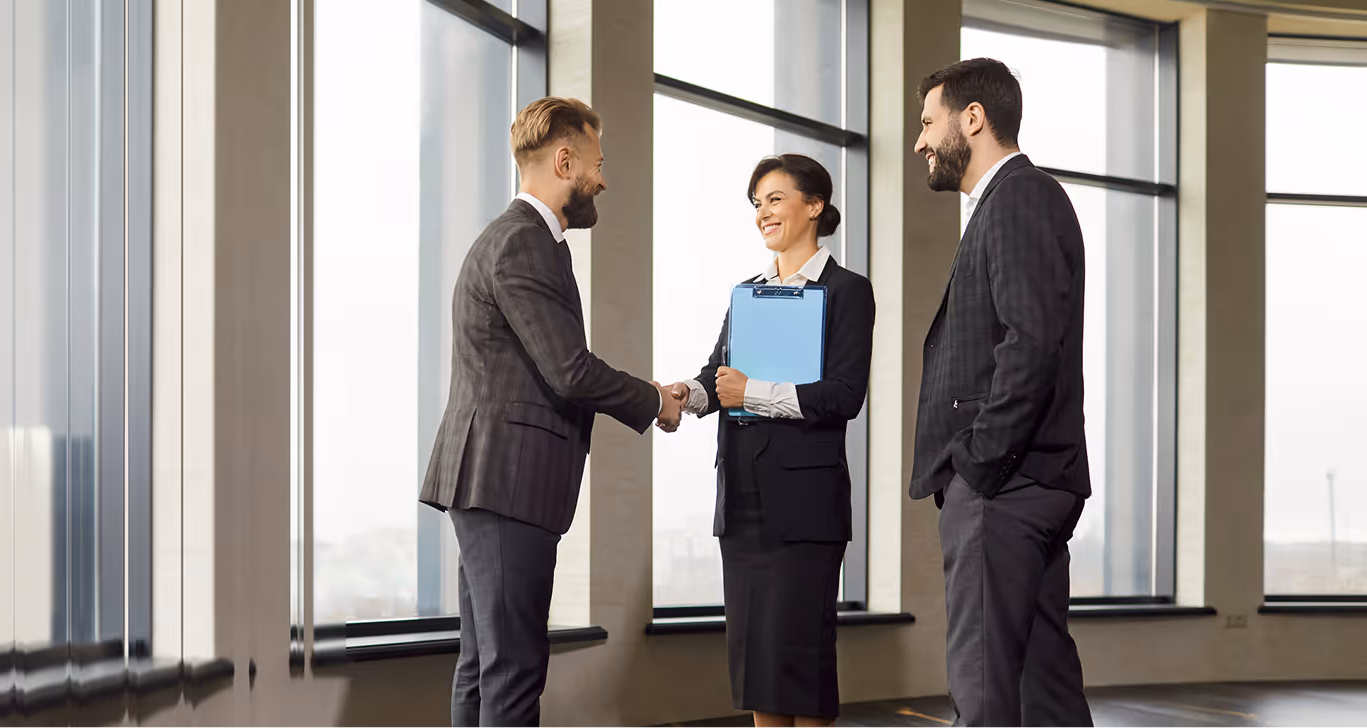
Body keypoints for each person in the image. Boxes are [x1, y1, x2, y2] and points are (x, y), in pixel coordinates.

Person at [418, 96, 684, 728]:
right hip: (507, 482)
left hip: (491, 484)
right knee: (511, 673)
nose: (602, 177)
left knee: (486, 667)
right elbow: (568, 370)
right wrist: (653, 400)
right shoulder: (523, 243)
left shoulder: (520, 240)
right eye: (596, 161)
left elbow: (550, 364)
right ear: (564, 159)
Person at [908, 58, 1093, 728]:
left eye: (929, 122)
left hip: (1005, 487)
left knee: (985, 693)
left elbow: (1030, 342)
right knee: (1046, 694)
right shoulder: (1019, 201)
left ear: (973, 118)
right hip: (1033, 481)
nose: (921, 141)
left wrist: (979, 463)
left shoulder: (1016, 198)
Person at [665, 154, 874, 728]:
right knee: (758, 665)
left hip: (805, 508)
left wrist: (753, 393)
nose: (763, 212)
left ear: (815, 206)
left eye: (775, 198)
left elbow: (843, 396)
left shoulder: (848, 292)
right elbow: (717, 378)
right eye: (757, 203)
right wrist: (683, 394)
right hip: (744, 502)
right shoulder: (746, 293)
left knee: (802, 664)